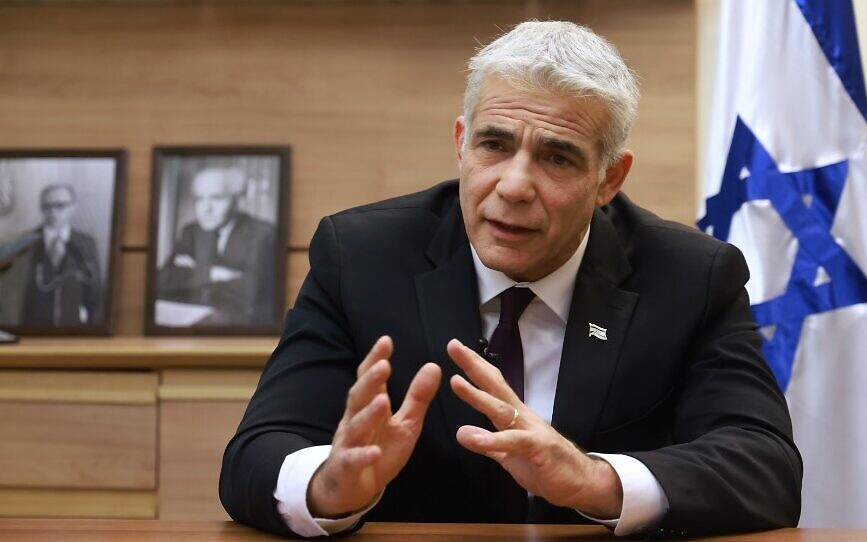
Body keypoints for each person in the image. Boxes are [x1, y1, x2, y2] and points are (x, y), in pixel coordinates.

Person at [220, 21, 802, 537]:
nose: (515, 185)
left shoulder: (691, 276)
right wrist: (327, 486)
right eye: (494, 145)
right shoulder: (363, 257)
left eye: (558, 158)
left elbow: (766, 467)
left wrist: (594, 480)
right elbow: (255, 455)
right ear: (460, 144)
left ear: (609, 179)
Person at [157, 167, 276, 326]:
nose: (206, 209)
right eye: (200, 199)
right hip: (193, 323)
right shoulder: (191, 231)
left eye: (217, 198)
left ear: (237, 200)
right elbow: (161, 280)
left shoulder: (264, 233)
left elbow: (254, 290)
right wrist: (212, 273)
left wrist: (192, 273)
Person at [22, 183, 102, 326]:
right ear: (41, 208)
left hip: (74, 330)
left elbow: (94, 293)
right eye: (47, 206)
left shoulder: (86, 244)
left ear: (73, 207)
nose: (53, 212)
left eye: (60, 206)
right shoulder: (26, 243)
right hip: (33, 330)